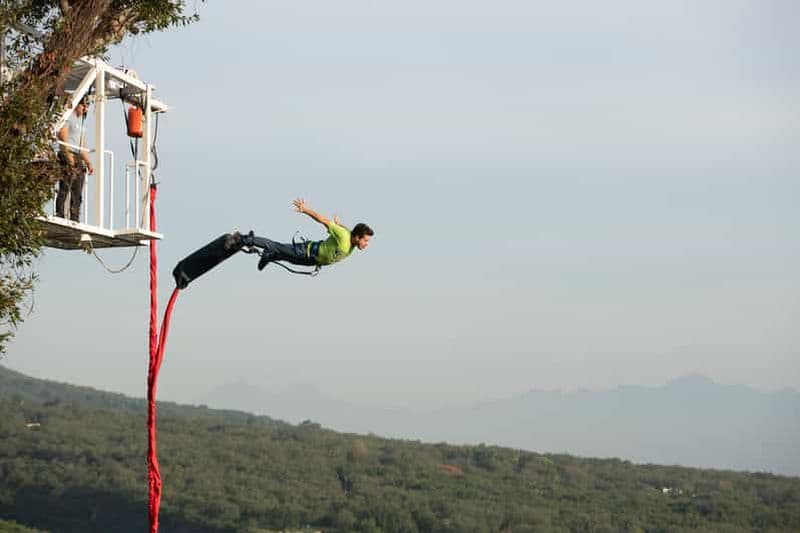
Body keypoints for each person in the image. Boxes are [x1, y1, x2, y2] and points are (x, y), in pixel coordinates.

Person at [229, 198, 373, 271]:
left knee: (288, 258)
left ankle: (269, 255)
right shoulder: (343, 235)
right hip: (306, 251)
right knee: (276, 246)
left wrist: (340, 224)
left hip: (312, 261)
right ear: (357, 237)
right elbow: (322, 220)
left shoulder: (350, 239)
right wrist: (305, 210)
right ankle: (244, 239)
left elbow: (348, 231)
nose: (366, 244)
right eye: (365, 241)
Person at [55, 97, 93, 221]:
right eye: (83, 105)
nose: (85, 108)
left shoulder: (81, 121)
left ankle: (74, 216)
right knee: (65, 186)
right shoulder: (69, 117)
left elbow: (82, 144)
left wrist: (88, 162)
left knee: (77, 189)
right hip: (67, 153)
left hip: (77, 156)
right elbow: (62, 135)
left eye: (87, 106)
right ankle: (60, 214)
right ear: (77, 104)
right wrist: (68, 155)